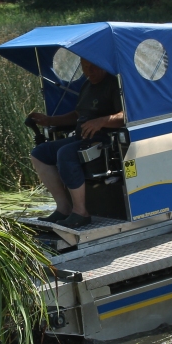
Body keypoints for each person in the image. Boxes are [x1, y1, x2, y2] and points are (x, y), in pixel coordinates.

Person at [28, 58, 125, 228]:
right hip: (81, 137)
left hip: (104, 139)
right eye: (85, 67)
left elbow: (125, 115)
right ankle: (64, 208)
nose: (89, 72)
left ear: (103, 64)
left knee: (65, 153)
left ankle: (81, 212)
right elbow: (77, 115)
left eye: (93, 66)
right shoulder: (87, 85)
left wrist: (101, 121)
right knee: (40, 153)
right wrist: (49, 120)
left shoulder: (113, 84)